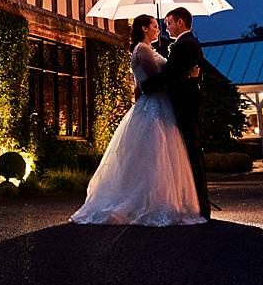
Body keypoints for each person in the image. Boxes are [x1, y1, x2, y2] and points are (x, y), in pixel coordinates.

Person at [70, 14, 206, 226]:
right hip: (153, 106)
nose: (159, 29)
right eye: (154, 26)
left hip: (161, 106)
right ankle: (146, 202)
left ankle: (164, 200)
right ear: (143, 28)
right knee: (154, 156)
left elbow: (166, 74)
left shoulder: (150, 49)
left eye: (163, 25)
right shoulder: (142, 50)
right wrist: (185, 76)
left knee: (163, 157)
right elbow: (156, 80)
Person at [139, 7, 213, 218]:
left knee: (190, 152)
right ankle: (196, 202)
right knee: (186, 152)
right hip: (185, 102)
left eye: (169, 23)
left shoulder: (185, 45)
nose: (166, 27)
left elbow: (169, 75)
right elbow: (178, 72)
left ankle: (200, 204)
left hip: (184, 104)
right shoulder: (187, 44)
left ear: (180, 22)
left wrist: (144, 87)